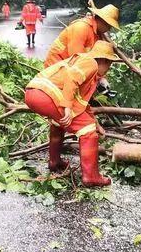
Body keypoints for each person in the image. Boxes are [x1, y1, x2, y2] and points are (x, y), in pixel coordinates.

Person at [24, 41, 120, 187]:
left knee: (60, 123)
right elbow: (72, 78)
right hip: (47, 95)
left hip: (33, 92)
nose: (109, 69)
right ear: (104, 60)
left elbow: (81, 104)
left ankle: (54, 162)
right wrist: (67, 106)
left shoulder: (84, 63)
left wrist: (96, 124)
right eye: (110, 64)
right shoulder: (91, 63)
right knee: (88, 133)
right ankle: (91, 177)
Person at [44, 0, 119, 67]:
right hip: (57, 67)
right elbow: (76, 60)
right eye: (109, 25)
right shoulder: (81, 28)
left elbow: (97, 59)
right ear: (103, 21)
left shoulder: (98, 35)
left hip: (70, 66)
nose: (109, 28)